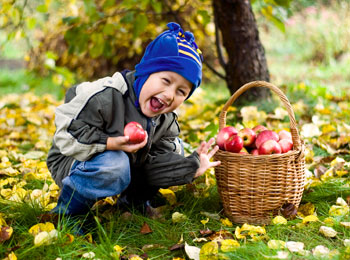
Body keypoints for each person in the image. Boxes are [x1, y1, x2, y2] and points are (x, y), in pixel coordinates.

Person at [46, 22, 221, 217]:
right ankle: (69, 213)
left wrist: (190, 167)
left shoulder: (166, 120)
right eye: (166, 81)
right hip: (72, 158)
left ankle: (131, 206)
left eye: (181, 91)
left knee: (165, 152)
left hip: (122, 165)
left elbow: (158, 165)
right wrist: (110, 143)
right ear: (146, 72)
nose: (170, 95)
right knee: (116, 162)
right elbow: (66, 134)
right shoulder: (107, 96)